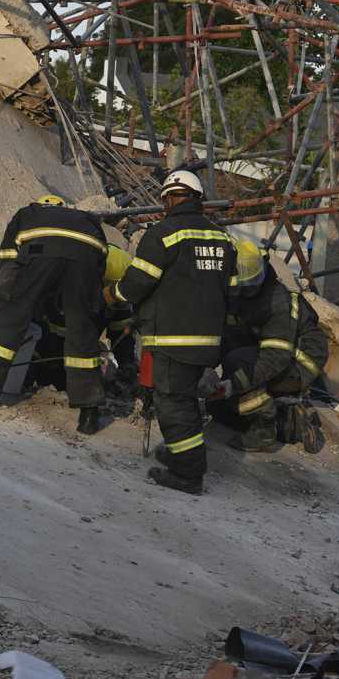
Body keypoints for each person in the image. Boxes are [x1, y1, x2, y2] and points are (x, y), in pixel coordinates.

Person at [0, 195, 113, 434]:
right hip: (87, 254)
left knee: (7, 320)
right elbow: (97, 267)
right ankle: (89, 414)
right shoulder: (84, 220)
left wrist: (7, 304)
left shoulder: (26, 215)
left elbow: (9, 267)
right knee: (82, 330)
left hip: (41, 252)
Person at [114, 169, 234, 495]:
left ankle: (188, 473)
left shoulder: (163, 234)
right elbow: (230, 290)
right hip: (209, 341)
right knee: (185, 401)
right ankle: (182, 454)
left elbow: (138, 283)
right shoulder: (223, 239)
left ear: (168, 198)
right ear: (199, 200)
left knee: (173, 406)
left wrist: (116, 294)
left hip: (171, 339)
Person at [211, 240, 329, 453]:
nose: (250, 288)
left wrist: (234, 384)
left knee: (237, 363)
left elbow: (275, 357)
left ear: (265, 268)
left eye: (254, 282)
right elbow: (226, 336)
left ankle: (266, 430)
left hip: (301, 360)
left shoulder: (278, 301)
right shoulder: (241, 294)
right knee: (220, 410)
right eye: (245, 284)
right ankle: (287, 418)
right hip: (276, 355)